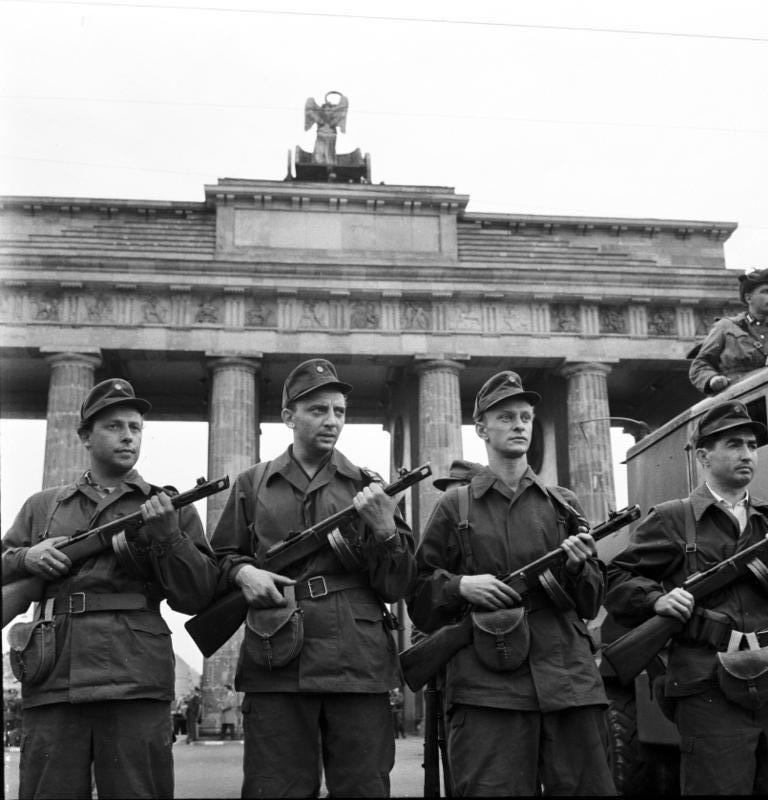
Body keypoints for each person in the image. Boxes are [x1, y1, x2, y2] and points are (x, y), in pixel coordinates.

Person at [1, 378, 219, 799]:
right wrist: (28, 558)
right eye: (113, 426)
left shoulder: (166, 505)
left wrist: (169, 537)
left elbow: (197, 596)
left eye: (135, 427)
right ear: (85, 435)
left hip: (133, 676)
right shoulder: (43, 506)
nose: (127, 436)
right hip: (53, 675)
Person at [211, 357, 416, 798]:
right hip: (277, 659)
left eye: (339, 411)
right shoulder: (252, 485)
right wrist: (244, 571)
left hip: (356, 663)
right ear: (289, 416)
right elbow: (220, 559)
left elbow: (396, 586)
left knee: (363, 788)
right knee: (276, 789)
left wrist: (384, 530)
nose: (331, 421)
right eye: (318, 410)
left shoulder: (368, 486)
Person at [407, 370, 615, 797]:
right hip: (488, 689)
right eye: (506, 417)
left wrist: (579, 567)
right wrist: (461, 587)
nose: (519, 424)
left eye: (525, 417)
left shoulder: (565, 503)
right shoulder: (455, 505)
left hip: (568, 682)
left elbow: (592, 603)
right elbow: (418, 594)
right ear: (481, 428)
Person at [605, 401, 768, 795]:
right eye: (733, 444)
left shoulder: (766, 520)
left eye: (751, 445)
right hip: (707, 688)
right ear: (702, 456)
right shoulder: (673, 518)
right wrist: (656, 600)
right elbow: (615, 578)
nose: (747, 454)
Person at [689, 267, 768, 394]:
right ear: (749, 298)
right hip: (739, 400)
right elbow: (700, 364)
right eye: (765, 292)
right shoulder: (726, 327)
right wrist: (712, 379)